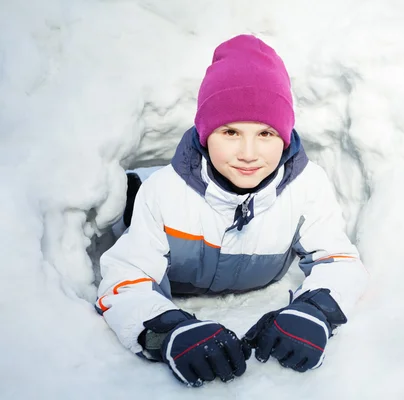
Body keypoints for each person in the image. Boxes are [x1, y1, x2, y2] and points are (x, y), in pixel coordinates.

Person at [96, 34, 368, 387]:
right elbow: (123, 280)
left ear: (285, 137)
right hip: (172, 252)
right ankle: (126, 195)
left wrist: (315, 311)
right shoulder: (162, 192)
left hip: (254, 272)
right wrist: (168, 331)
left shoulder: (307, 186)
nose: (248, 153)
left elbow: (340, 261)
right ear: (205, 132)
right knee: (131, 213)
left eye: (266, 134)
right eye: (230, 132)